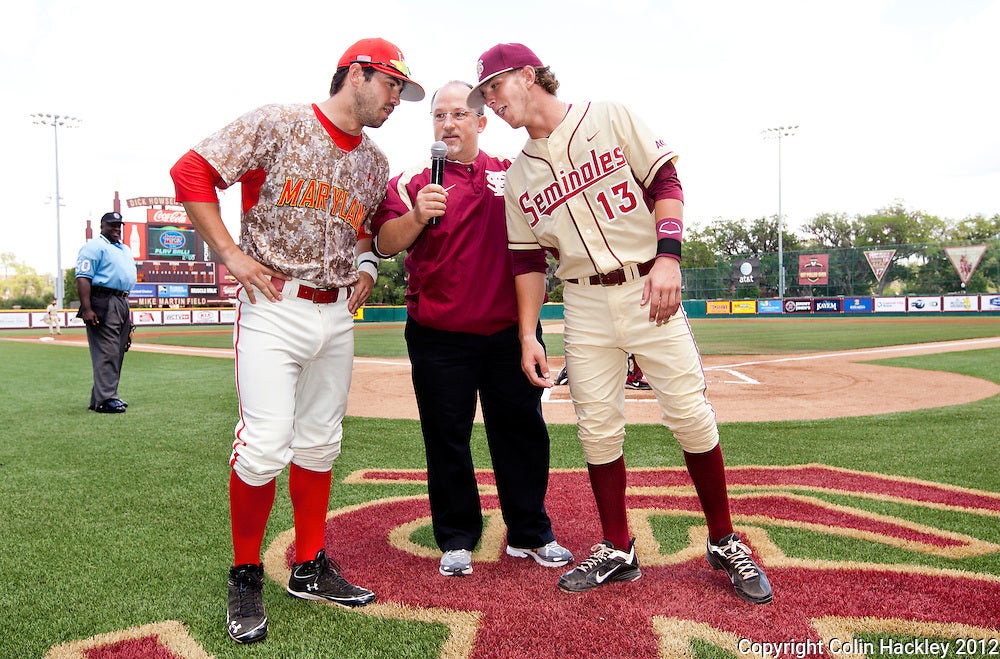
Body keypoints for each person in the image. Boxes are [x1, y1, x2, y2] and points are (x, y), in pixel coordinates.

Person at [468, 43, 773, 604]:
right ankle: (617, 547)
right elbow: (527, 261)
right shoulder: (518, 178)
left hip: (646, 285)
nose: (491, 102)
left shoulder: (607, 115)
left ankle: (725, 539)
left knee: (689, 411)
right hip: (582, 301)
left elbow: (667, 184)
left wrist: (670, 256)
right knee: (597, 426)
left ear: (529, 76)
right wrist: (528, 332)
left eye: (494, 88)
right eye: (484, 94)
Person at [169, 37, 424, 644]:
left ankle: (308, 564)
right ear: (356, 74)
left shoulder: (375, 160)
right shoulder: (281, 122)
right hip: (273, 303)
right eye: (391, 85)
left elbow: (368, 231)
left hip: (337, 311)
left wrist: (366, 268)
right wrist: (229, 252)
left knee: (320, 442)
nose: (396, 99)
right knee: (263, 444)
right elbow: (191, 170)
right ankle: (246, 571)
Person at [371, 81, 573, 578]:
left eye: (460, 114)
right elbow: (385, 241)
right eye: (440, 116)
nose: (449, 123)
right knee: (446, 439)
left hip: (510, 332)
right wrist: (418, 216)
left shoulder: (513, 173)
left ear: (481, 122)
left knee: (522, 434)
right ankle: (457, 536)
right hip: (439, 335)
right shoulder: (411, 183)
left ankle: (529, 532)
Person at [75, 211, 137, 414]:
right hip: (103, 299)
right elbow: (83, 277)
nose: (116, 229)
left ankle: (101, 397)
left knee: (117, 350)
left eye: (119, 225)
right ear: (102, 226)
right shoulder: (94, 247)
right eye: (112, 225)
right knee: (107, 351)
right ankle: (106, 399)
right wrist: (87, 308)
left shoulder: (124, 248)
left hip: (121, 300)